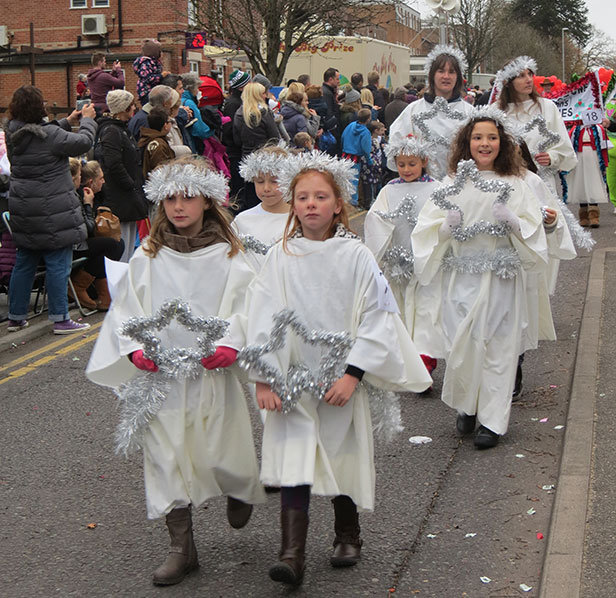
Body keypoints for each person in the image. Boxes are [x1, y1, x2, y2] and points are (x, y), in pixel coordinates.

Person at [245, 151, 432, 586]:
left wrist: (354, 373)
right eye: (303, 197)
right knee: (294, 460)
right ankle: (291, 554)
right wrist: (263, 375)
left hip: (339, 378)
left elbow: (378, 315)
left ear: (337, 205)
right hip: (291, 380)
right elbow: (259, 314)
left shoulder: (356, 256)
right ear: (292, 204)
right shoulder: (279, 257)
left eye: (321, 196)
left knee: (340, 454)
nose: (311, 204)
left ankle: (348, 532)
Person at [86, 155, 265, 586]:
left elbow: (250, 304)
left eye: (188, 197)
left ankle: (239, 487)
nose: (179, 206)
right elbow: (128, 309)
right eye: (170, 199)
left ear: (207, 201)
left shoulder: (229, 256)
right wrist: (132, 351)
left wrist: (231, 342)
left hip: (210, 374)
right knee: (165, 457)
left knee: (222, 447)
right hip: (162, 377)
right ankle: (181, 548)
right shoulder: (149, 256)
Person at [412, 109, 548, 449]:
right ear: (466, 143)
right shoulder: (451, 185)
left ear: (501, 143)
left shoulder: (516, 184)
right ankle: (467, 405)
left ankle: (492, 420)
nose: (484, 143)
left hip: (501, 278)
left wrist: (513, 222)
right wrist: (445, 227)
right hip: (461, 277)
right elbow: (425, 231)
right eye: (477, 137)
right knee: (463, 344)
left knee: (498, 347)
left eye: (491, 137)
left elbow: (534, 226)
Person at [4, 85, 96, 334]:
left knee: (25, 263)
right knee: (58, 263)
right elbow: (83, 142)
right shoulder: (50, 136)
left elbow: (43, 138)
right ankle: (60, 318)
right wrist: (87, 121)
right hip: (53, 209)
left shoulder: (12, 132)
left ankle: (16, 316)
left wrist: (65, 122)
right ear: (39, 108)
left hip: (24, 208)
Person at [364, 135, 440, 383]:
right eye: (401, 164)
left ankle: (425, 360)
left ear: (424, 161)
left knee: (426, 311)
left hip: (426, 263)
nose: (406, 170)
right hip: (399, 262)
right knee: (403, 311)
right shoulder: (390, 189)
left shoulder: (435, 188)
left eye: (412, 164)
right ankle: (407, 360)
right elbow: (376, 218)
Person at [495, 56, 577, 204]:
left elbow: (563, 143)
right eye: (521, 76)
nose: (528, 80)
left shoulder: (547, 107)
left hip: (542, 181)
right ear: (508, 82)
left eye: (530, 74)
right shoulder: (495, 111)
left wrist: (552, 157)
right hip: (508, 182)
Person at [389, 45, 474, 180]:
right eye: (441, 71)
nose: (446, 76)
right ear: (432, 75)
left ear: (458, 77)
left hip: (460, 186)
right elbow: (396, 148)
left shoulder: (470, 113)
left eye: (451, 72)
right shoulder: (413, 111)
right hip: (420, 185)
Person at [95, 90, 149, 262]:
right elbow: (113, 163)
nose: (134, 108)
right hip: (120, 198)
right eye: (131, 104)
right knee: (122, 246)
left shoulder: (121, 129)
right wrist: (130, 184)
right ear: (124, 108)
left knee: (129, 243)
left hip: (128, 196)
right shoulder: (111, 131)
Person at [69, 159, 124, 311]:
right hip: (74, 244)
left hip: (81, 240)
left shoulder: (95, 194)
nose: (104, 181)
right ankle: (78, 286)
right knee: (112, 246)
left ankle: (103, 294)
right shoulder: (79, 196)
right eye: (101, 178)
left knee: (117, 243)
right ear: (91, 181)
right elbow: (86, 228)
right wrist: (88, 205)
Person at [234, 145, 291, 250]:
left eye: (274, 181)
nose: (266, 188)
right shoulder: (243, 220)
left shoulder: (300, 219)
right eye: (260, 181)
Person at [565, 121, 610, 227]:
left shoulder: (598, 129)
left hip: (594, 158)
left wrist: (604, 163)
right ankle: (583, 216)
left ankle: (594, 215)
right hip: (579, 159)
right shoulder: (575, 129)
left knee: (593, 184)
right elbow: (568, 147)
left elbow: (604, 148)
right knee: (581, 185)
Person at [222, 69, 251, 207]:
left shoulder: (238, 101)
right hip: (235, 152)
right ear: (241, 86)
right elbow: (230, 129)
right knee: (238, 190)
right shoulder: (233, 104)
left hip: (237, 150)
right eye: (248, 83)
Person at [341, 108, 372, 206]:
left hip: (345, 155)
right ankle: (353, 203)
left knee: (345, 179)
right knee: (354, 181)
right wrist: (369, 161)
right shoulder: (365, 132)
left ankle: (345, 201)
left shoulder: (351, 125)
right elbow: (366, 149)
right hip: (355, 158)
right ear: (368, 119)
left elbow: (343, 137)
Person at [181, 72, 215, 154]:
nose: (198, 91)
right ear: (192, 88)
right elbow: (201, 131)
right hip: (192, 144)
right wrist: (214, 129)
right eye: (197, 88)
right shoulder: (189, 103)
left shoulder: (180, 100)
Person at [138, 107, 175, 179]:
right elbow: (160, 172)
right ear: (165, 126)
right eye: (170, 121)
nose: (171, 124)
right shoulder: (158, 145)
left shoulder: (151, 138)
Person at [359, 121, 386, 209]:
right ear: (375, 130)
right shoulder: (371, 140)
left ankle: (372, 200)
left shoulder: (375, 140)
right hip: (370, 164)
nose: (383, 132)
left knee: (374, 183)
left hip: (373, 164)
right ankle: (369, 202)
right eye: (381, 130)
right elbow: (370, 153)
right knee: (369, 184)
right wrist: (374, 163)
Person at [133, 39, 164, 108]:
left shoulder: (155, 62)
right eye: (160, 51)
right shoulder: (146, 62)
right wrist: (161, 76)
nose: (162, 53)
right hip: (147, 92)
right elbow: (147, 78)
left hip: (154, 91)